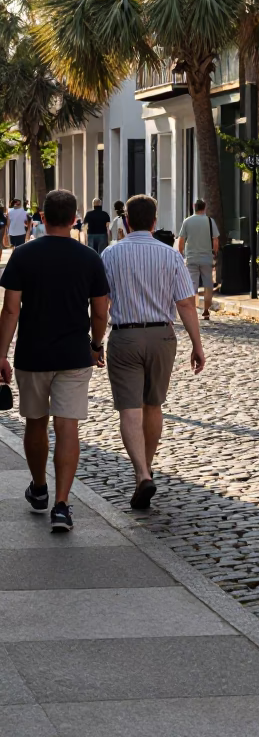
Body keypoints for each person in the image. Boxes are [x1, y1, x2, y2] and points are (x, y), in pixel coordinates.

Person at [0, 189, 109, 532]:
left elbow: (11, 309)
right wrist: (96, 343)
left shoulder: (23, 255)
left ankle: (40, 488)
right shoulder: (90, 258)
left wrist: (0, 354)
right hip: (75, 353)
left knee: (35, 423)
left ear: (42, 218)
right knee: (67, 427)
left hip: (32, 353)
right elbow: (101, 310)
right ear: (75, 218)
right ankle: (62, 505)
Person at [102, 193, 205, 510]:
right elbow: (186, 303)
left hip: (125, 336)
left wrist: (93, 339)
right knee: (153, 404)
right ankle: (146, 468)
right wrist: (197, 345)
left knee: (129, 410)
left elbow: (99, 303)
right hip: (162, 336)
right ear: (155, 221)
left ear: (127, 221)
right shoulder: (170, 255)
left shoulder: (110, 254)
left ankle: (141, 473)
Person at [178, 198, 219, 320]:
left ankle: (192, 311)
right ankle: (206, 310)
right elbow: (215, 240)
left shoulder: (187, 221)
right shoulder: (210, 221)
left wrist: (181, 254)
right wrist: (214, 253)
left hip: (191, 258)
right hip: (206, 257)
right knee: (208, 284)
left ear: (193, 206)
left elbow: (181, 240)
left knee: (192, 285)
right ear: (204, 207)